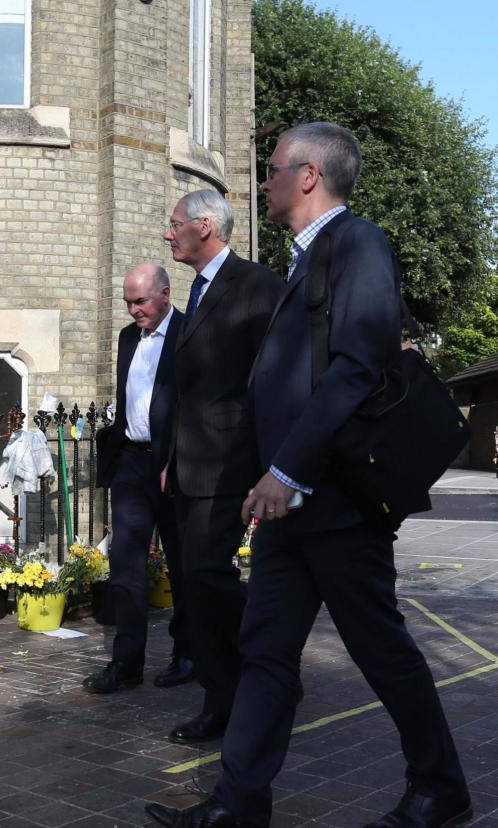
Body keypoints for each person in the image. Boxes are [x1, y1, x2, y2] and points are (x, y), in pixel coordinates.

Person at [147, 122, 470, 828]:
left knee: (381, 651)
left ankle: (440, 785)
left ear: (308, 176)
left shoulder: (359, 244)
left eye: (271, 169)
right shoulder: (306, 259)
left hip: (337, 504)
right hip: (291, 509)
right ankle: (238, 803)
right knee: (264, 652)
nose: (262, 181)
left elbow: (357, 365)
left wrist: (287, 469)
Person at [159, 190, 282, 742]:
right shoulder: (199, 288)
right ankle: (230, 692)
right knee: (196, 583)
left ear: (205, 226)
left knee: (210, 580)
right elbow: (192, 392)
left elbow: (273, 380)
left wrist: (270, 468)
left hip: (232, 465)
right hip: (191, 468)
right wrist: (171, 458)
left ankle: (242, 694)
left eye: (176, 224)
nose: (169, 234)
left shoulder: (256, 285)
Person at [83, 264, 190, 694]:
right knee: (126, 562)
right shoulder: (129, 338)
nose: (133, 310)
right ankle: (126, 663)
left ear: (165, 293)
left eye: (141, 301)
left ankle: (188, 654)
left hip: (175, 464)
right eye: (128, 302)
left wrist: (179, 456)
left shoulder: (189, 331)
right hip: (131, 461)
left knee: (183, 563)